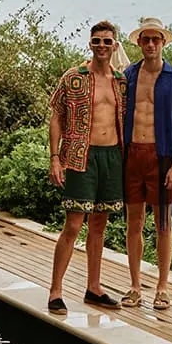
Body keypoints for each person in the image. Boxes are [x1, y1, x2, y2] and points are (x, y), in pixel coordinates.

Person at [45, 20, 128, 316]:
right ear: (90, 44)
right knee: (73, 225)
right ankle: (55, 290)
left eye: (108, 41)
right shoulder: (74, 77)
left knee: (99, 225)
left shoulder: (121, 81)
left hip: (112, 158)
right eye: (97, 41)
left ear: (115, 45)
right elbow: (56, 115)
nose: (102, 46)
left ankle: (94, 287)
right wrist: (55, 157)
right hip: (81, 155)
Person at [119, 17, 172, 311]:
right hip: (132, 155)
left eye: (156, 39)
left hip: (162, 157)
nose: (150, 44)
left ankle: (162, 287)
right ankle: (135, 286)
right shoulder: (128, 76)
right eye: (145, 39)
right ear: (138, 43)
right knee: (133, 222)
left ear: (163, 42)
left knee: (164, 224)